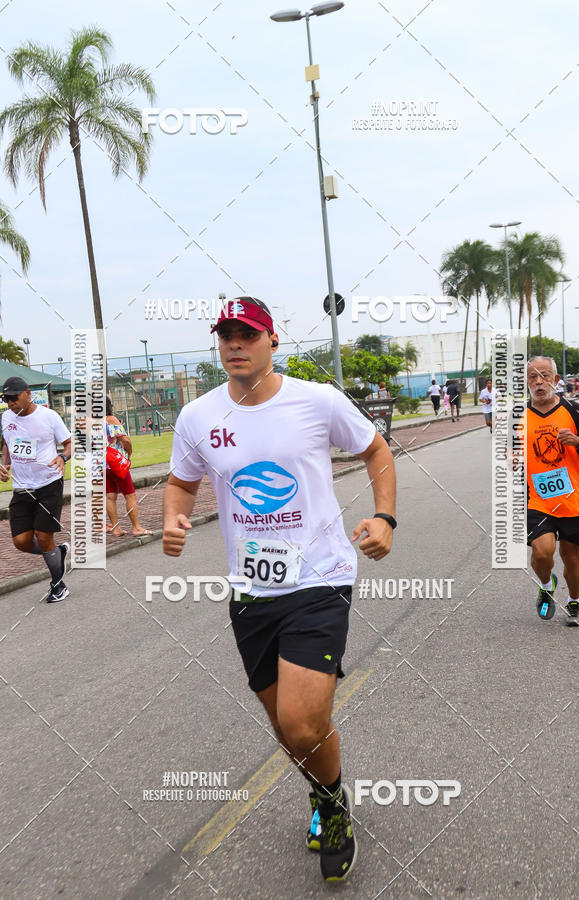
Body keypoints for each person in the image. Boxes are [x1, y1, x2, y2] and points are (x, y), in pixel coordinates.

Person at [163, 297, 396, 882]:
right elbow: (180, 480)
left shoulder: (315, 401)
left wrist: (385, 518)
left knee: (300, 720)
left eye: (247, 334)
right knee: (284, 726)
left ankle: (335, 806)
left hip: (320, 577)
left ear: (272, 342)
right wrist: (173, 517)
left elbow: (375, 449)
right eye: (226, 335)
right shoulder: (198, 417)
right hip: (252, 590)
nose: (234, 344)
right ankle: (322, 794)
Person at [526, 357, 579, 626]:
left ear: (556, 380)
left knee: (571, 556)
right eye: (532, 377)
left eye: (544, 376)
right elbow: (506, 453)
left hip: (573, 497)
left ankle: (575, 602)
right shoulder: (518, 416)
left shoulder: (572, 410)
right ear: (527, 382)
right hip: (537, 499)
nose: (538, 382)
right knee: (542, 551)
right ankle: (546, 584)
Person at [0, 376, 71, 602]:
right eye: (5, 398)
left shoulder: (49, 417)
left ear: (28, 394)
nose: (10, 403)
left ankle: (58, 585)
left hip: (48, 483)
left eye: (14, 397)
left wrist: (62, 457)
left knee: (43, 535)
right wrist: (4, 463)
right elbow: (7, 443)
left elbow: (70, 443)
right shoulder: (6, 417)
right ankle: (57, 553)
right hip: (22, 487)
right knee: (21, 542)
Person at [105, 397, 152, 537]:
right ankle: (136, 527)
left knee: (110, 497)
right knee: (129, 494)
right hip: (116, 462)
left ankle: (116, 528)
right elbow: (124, 439)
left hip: (101, 464)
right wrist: (129, 452)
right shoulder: (110, 419)